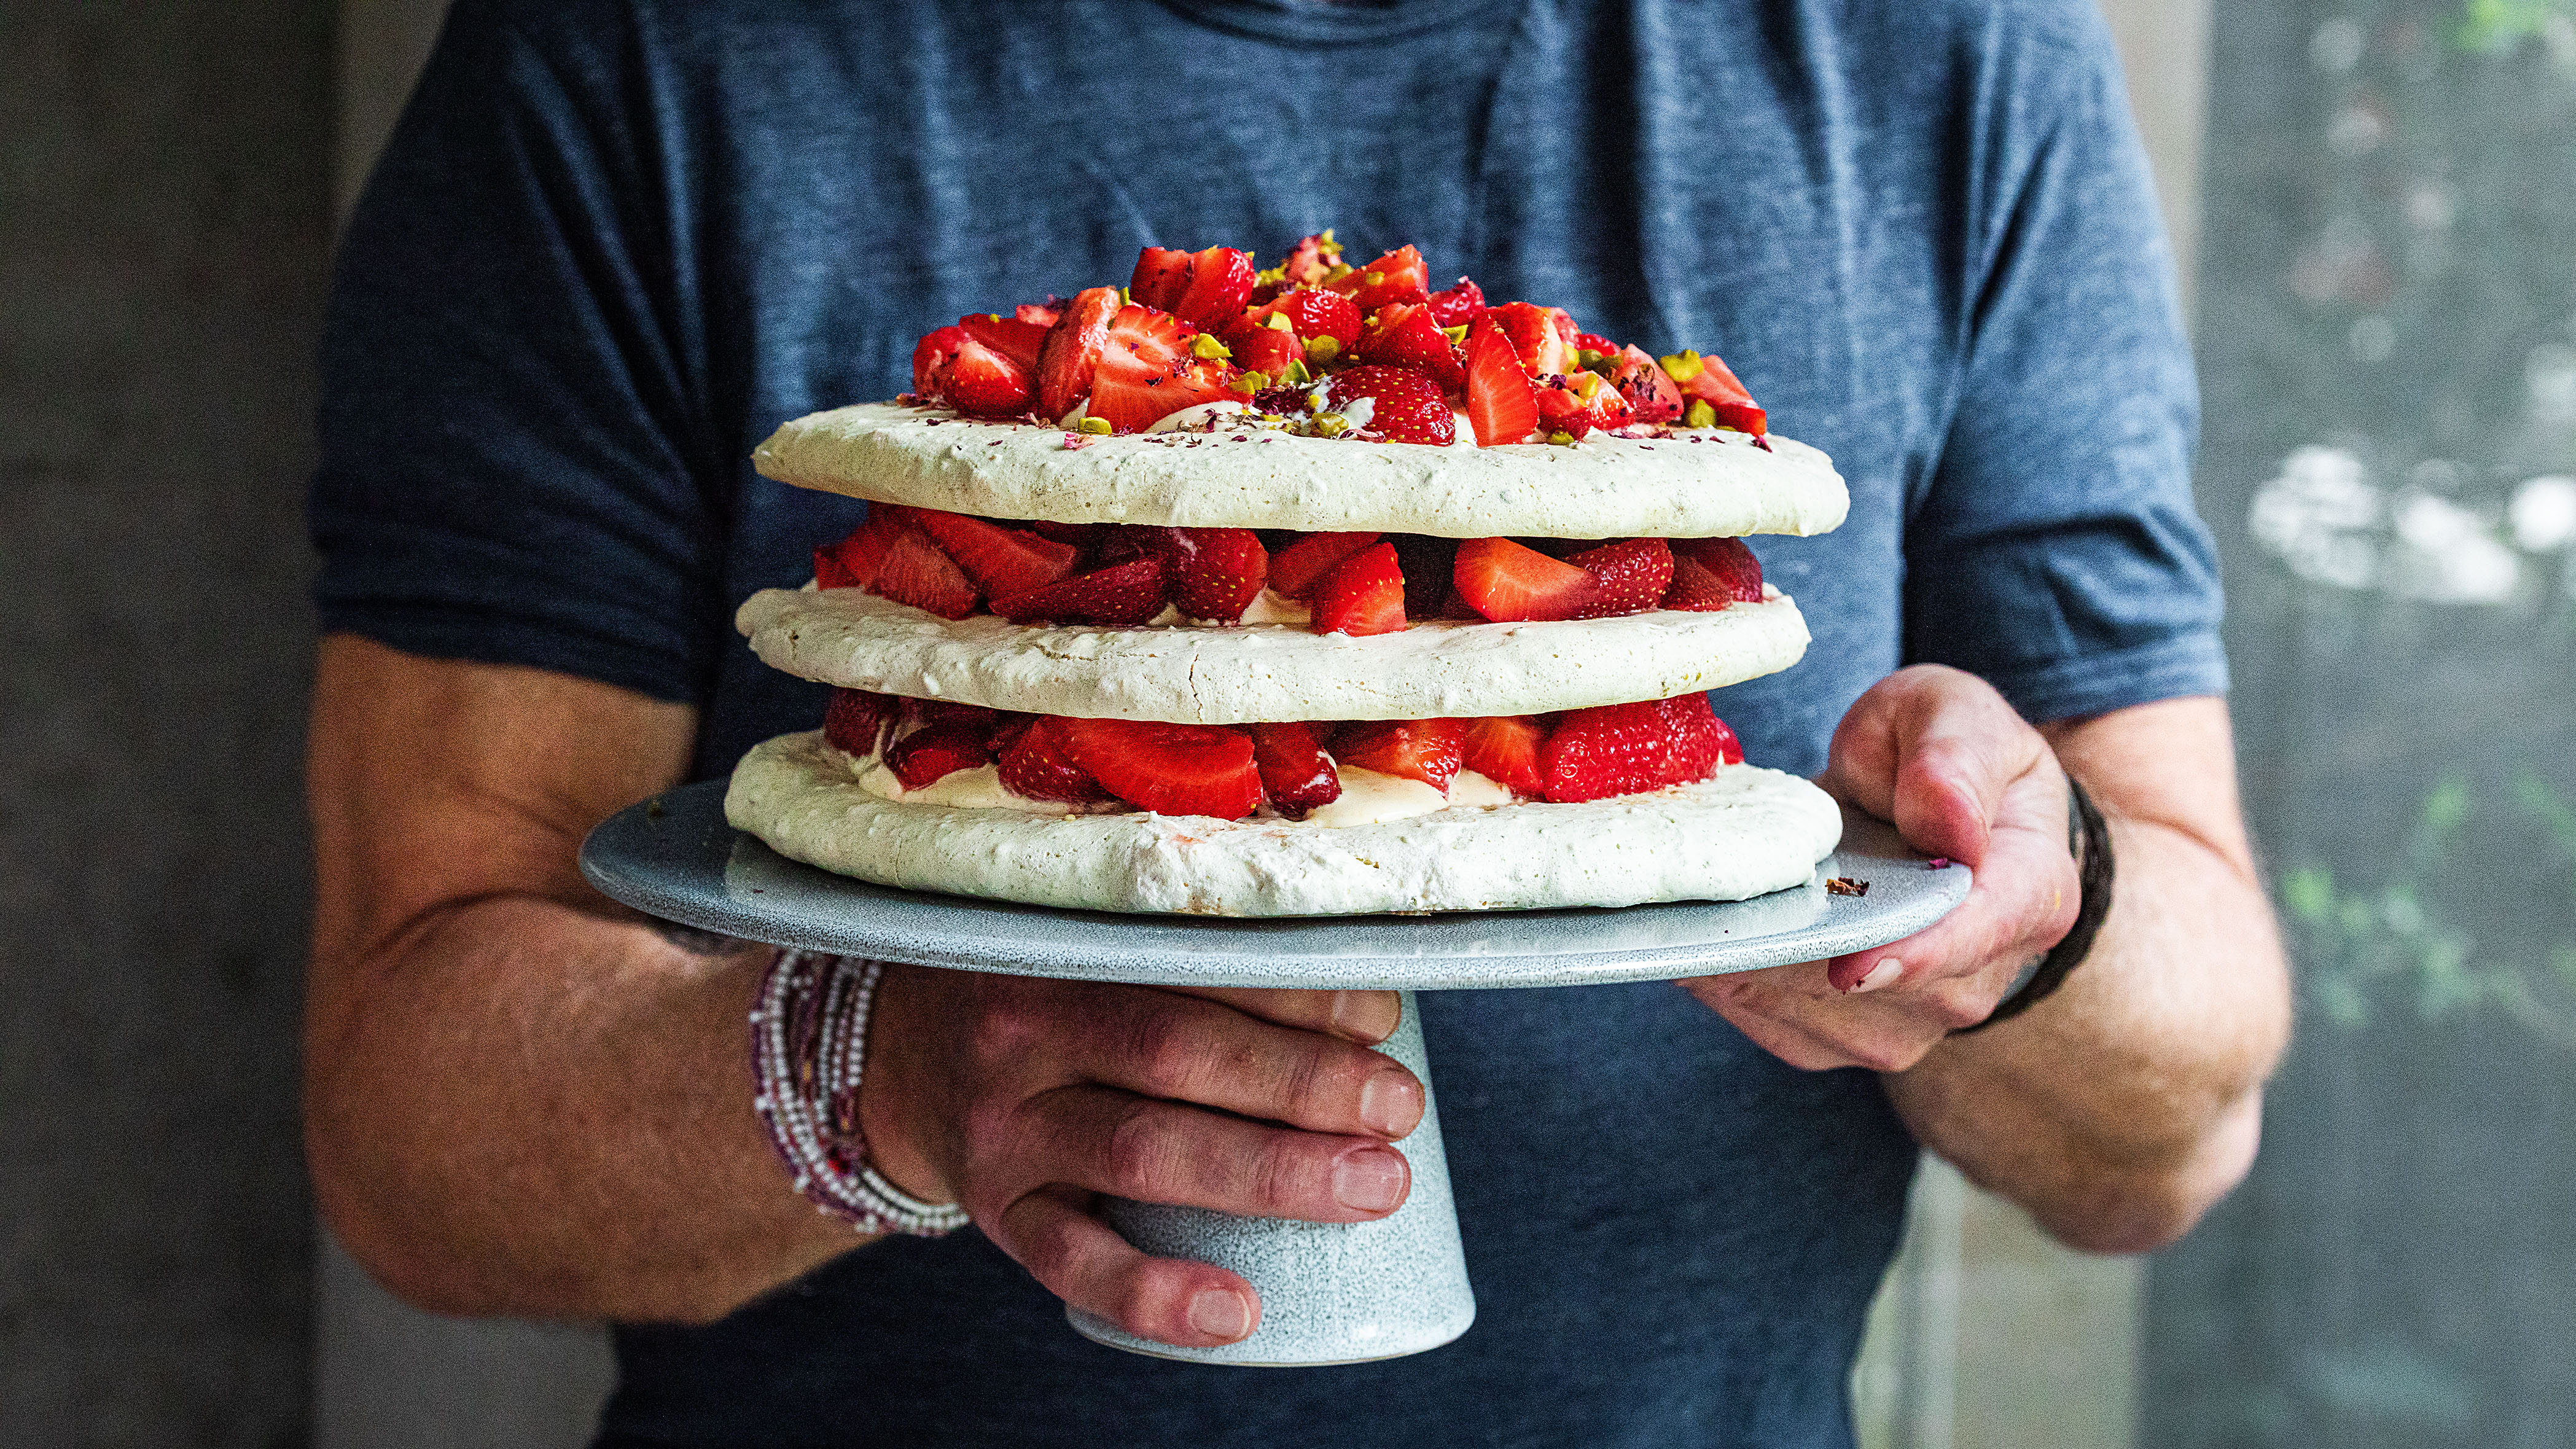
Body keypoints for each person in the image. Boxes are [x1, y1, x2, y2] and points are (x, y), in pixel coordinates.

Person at [302, 0, 2291, 1443]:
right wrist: (875, 1080)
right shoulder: (636, 56)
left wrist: (2024, 922)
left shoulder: (1949, 55)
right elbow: (410, 1131)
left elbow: (2170, 1138)